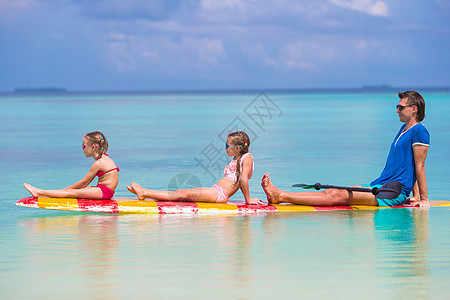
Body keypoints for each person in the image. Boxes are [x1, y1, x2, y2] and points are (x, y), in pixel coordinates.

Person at [262, 91, 430, 208]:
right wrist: (414, 195)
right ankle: (281, 195)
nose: (397, 110)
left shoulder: (419, 131)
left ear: (413, 109)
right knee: (333, 191)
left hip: (392, 191)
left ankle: (281, 195)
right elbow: (408, 164)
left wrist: (424, 199)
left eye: (401, 107)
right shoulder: (404, 130)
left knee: (339, 196)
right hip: (381, 184)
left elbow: (419, 166)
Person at [127, 131, 263, 205]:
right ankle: (145, 192)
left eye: (227, 146)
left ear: (237, 148)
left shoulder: (247, 158)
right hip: (216, 191)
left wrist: (248, 200)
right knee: (181, 192)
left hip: (220, 194)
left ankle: (144, 193)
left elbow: (244, 179)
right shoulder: (237, 158)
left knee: (182, 194)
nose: (225, 149)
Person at [24, 131, 119, 200]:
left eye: (84, 146)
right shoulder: (105, 159)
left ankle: (39, 192)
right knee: (79, 191)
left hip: (104, 192)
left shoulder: (99, 163)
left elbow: (83, 182)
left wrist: (65, 190)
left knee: (71, 193)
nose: (83, 149)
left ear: (93, 147)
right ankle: (48, 193)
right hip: (105, 190)